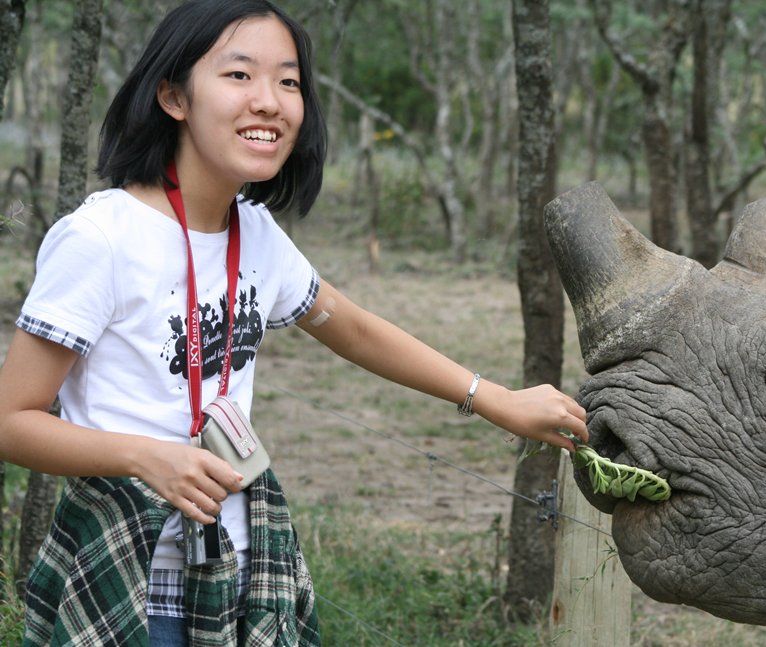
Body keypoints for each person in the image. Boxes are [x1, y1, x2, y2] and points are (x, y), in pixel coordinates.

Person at [0, 1, 588, 645]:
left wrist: (495, 399)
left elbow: (353, 328)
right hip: (128, 583)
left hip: (241, 573)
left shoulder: (255, 233)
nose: (269, 102)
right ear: (174, 97)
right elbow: (10, 422)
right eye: (239, 75)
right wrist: (146, 458)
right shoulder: (101, 238)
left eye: (288, 81)